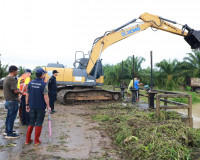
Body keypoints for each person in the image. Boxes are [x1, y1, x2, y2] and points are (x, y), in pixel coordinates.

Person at [25, 68, 51, 145]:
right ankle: (36, 141)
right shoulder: (44, 84)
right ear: (42, 75)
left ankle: (27, 140)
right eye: (44, 74)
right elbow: (45, 97)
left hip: (32, 106)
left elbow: (27, 94)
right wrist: (48, 106)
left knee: (31, 122)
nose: (44, 75)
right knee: (39, 122)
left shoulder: (30, 83)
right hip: (40, 107)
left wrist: (27, 104)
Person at [3, 65, 22, 138]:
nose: (17, 72)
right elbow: (15, 90)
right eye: (16, 70)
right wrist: (21, 92)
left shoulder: (6, 78)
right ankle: (10, 133)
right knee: (12, 117)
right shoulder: (12, 79)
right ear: (13, 71)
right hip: (12, 101)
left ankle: (7, 130)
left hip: (8, 100)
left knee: (9, 116)